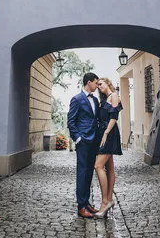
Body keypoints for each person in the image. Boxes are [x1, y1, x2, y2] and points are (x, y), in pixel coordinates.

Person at [67, 72, 100, 218]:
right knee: (82, 172)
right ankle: (81, 206)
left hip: (94, 141)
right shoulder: (77, 99)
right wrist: (78, 138)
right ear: (88, 82)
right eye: (95, 82)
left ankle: (86, 203)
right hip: (83, 141)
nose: (97, 85)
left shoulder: (95, 100)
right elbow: (71, 122)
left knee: (89, 173)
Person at [93, 78, 123, 219]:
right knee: (109, 167)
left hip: (109, 134)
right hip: (103, 133)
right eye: (97, 85)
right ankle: (109, 200)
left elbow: (114, 116)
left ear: (108, 83)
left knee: (98, 166)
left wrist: (106, 132)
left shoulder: (114, 96)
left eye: (101, 84)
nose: (99, 87)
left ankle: (105, 202)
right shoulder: (105, 99)